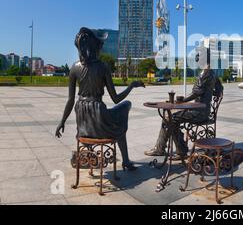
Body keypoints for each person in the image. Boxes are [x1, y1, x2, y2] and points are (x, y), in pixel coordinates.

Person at [55, 27, 145, 171]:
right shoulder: (103, 67)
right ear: (97, 46)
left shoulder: (74, 68)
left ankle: (89, 154)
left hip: (84, 122)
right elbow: (116, 99)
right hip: (99, 118)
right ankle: (126, 161)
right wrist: (131, 86)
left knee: (117, 119)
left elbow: (71, 100)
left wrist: (62, 121)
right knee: (124, 110)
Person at [145, 48, 223, 159]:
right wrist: (208, 94)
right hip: (205, 111)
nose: (196, 60)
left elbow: (196, 93)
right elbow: (219, 90)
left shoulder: (205, 73)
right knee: (172, 119)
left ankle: (161, 149)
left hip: (198, 113)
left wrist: (182, 101)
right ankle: (180, 150)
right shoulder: (213, 73)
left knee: (168, 118)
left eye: (198, 57)